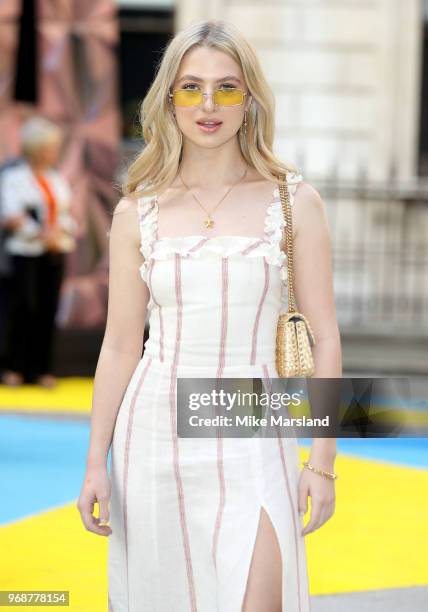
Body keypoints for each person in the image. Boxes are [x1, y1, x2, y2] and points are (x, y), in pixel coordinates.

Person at [77, 19, 342, 612]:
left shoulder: (294, 202)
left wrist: (321, 463)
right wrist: (97, 460)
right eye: (190, 87)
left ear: (250, 100)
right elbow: (121, 345)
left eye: (227, 88)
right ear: (168, 99)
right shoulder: (136, 211)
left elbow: (324, 336)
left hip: (254, 425)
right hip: (152, 434)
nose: (208, 105)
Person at [0, 117, 78, 388]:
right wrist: (41, 233)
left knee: (48, 309)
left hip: (55, 251)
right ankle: (13, 367)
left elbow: (65, 214)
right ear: (35, 147)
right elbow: (11, 214)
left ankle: (42, 369)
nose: (54, 152)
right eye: (49, 146)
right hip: (25, 252)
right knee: (23, 308)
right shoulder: (13, 177)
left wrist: (61, 233)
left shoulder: (56, 178)